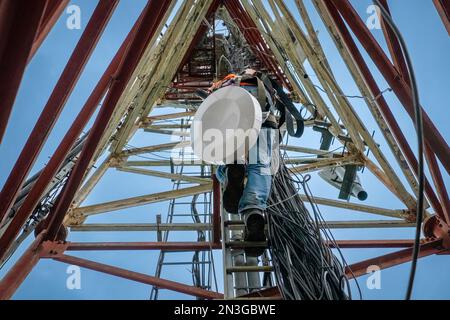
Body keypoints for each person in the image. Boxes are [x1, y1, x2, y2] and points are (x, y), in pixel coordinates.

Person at [209, 69, 279, 256]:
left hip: (231, 105)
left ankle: (234, 165)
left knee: (228, 152)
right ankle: (253, 210)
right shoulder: (259, 79)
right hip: (263, 110)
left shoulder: (224, 83)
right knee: (261, 165)